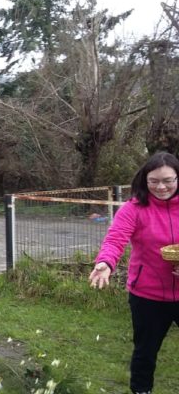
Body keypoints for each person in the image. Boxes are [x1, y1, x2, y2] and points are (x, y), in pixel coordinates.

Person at [89, 151, 179, 394]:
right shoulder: (134, 209)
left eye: (168, 180)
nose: (161, 187)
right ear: (145, 180)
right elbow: (115, 239)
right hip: (147, 295)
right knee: (145, 351)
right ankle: (142, 391)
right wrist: (105, 263)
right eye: (154, 181)